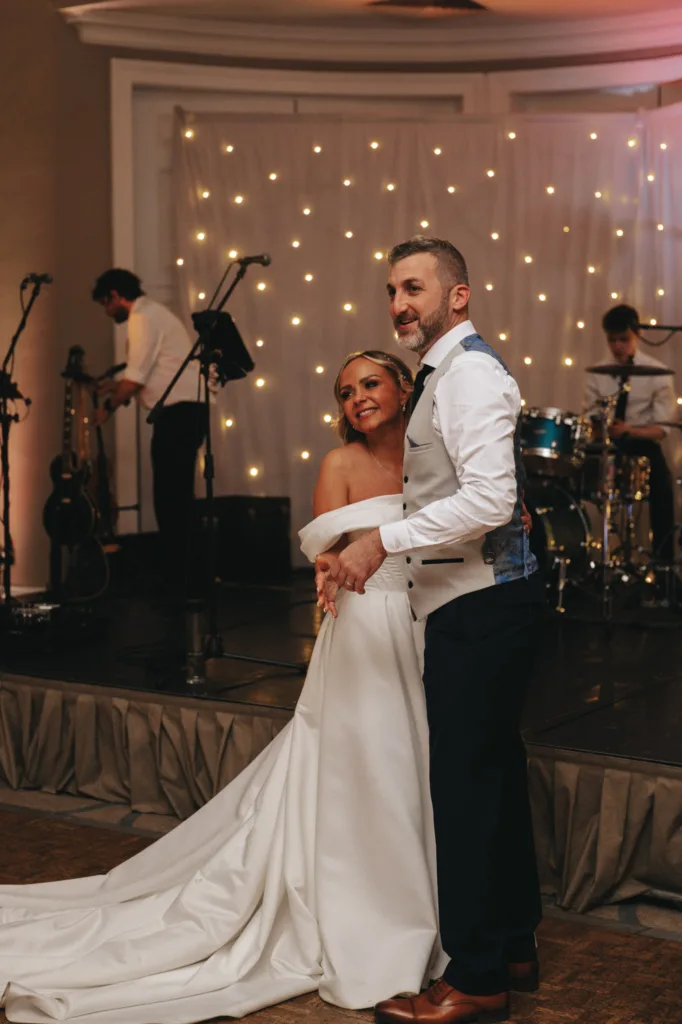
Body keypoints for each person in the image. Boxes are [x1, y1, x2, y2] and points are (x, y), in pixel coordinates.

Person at [0, 351, 449, 1024]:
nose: (357, 397)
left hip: (427, 626)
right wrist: (332, 582)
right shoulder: (340, 464)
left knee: (422, 770)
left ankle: (428, 901)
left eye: (371, 383)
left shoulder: (434, 460)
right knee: (371, 773)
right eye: (346, 390)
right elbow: (326, 555)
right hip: (365, 630)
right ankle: (375, 917)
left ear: (405, 387)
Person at [321, 236, 544, 1024]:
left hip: (480, 604)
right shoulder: (441, 375)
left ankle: (478, 977)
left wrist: (382, 539)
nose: (398, 304)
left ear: (459, 296)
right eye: (391, 290)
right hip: (475, 601)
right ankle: (514, 942)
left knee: (465, 788)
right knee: (493, 777)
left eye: (413, 287)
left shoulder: (471, 372)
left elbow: (489, 500)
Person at [92, 268, 206, 590]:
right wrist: (115, 387)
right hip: (184, 412)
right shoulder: (155, 314)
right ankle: (186, 577)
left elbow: (137, 377)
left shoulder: (142, 317)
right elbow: (152, 374)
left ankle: (181, 579)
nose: (106, 311)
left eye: (105, 303)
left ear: (115, 295)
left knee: (170, 498)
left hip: (179, 414)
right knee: (176, 495)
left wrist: (107, 407)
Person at [583, 303, 676, 566]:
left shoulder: (657, 373)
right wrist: (601, 428)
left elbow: (662, 429)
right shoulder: (598, 372)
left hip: (641, 444)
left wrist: (630, 430)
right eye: (612, 340)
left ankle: (663, 566)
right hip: (608, 445)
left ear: (636, 334)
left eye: (623, 339)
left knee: (663, 485)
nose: (617, 346)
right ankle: (581, 554)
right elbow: (589, 414)